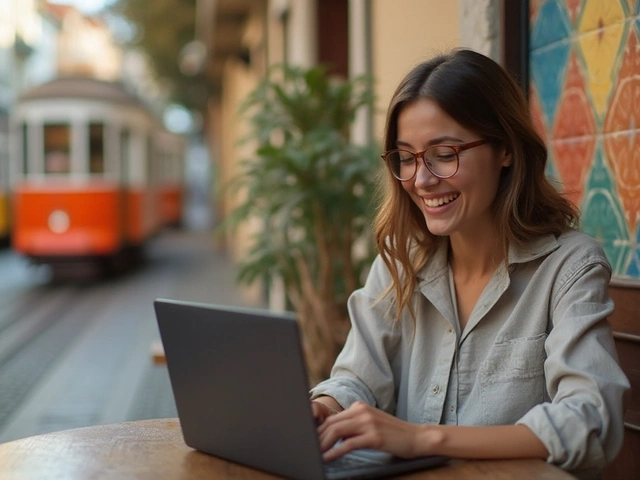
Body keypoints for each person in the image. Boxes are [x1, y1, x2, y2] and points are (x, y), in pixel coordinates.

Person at [309, 48, 629, 478]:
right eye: (406, 157)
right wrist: (324, 408)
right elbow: (359, 380)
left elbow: (588, 422)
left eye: (444, 153)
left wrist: (421, 438)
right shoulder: (400, 264)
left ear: (506, 150)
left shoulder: (568, 268)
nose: (422, 180)